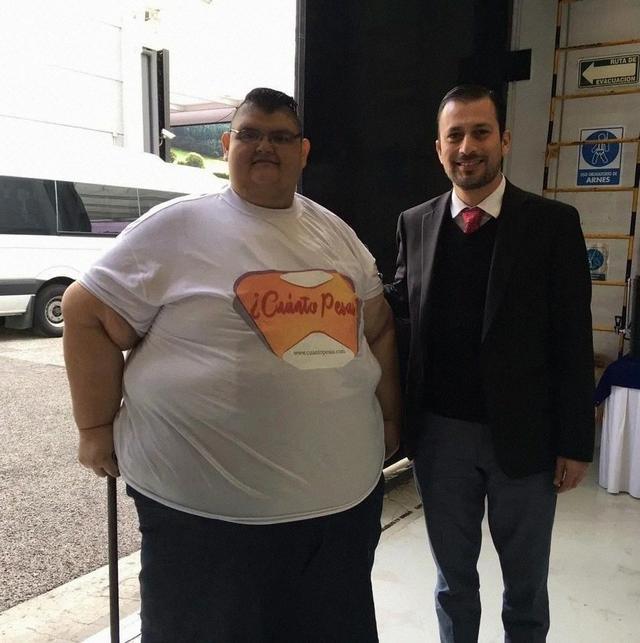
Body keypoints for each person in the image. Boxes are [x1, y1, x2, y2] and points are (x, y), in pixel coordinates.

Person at [63, 87, 401, 643]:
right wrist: (94, 428)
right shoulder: (176, 227)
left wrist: (389, 420)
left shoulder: (335, 233)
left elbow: (379, 327)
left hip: (338, 520)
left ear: (303, 152)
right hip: (203, 527)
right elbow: (85, 312)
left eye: (281, 137)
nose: (265, 146)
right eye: (250, 134)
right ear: (226, 145)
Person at [385, 84, 594, 643]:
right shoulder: (414, 223)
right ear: (439, 148)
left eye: (480, 132)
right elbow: (400, 318)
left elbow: (573, 337)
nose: (467, 147)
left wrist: (576, 442)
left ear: (504, 140)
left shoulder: (552, 224)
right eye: (454, 135)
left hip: (526, 440)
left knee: (525, 587)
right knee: (453, 583)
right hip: (440, 439)